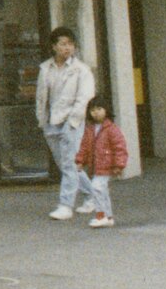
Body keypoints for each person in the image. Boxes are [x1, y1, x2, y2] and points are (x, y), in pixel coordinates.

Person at [34, 26, 97, 221]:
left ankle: (65, 205)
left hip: (71, 121)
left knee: (70, 163)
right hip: (51, 121)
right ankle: (93, 195)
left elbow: (85, 97)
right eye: (62, 44)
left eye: (70, 44)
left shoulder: (81, 70)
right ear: (54, 47)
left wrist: (74, 121)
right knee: (65, 165)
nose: (67, 48)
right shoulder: (45, 68)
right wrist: (41, 120)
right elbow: (41, 96)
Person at [73, 98, 128, 228]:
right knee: (101, 191)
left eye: (99, 109)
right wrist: (80, 160)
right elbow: (85, 146)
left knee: (97, 188)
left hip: (107, 164)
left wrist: (119, 165)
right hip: (97, 165)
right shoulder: (90, 129)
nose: (96, 113)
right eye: (93, 110)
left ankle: (101, 216)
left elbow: (120, 147)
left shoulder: (111, 129)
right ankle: (108, 217)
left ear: (106, 110)